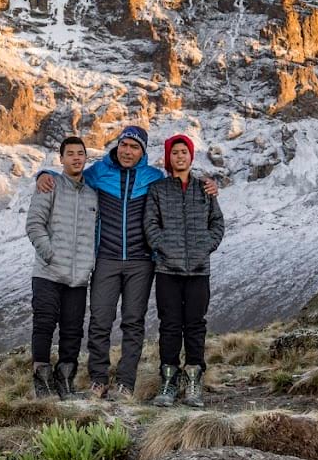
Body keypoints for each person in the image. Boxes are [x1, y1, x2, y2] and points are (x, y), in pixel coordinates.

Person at [37, 125, 218, 400]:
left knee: (133, 323)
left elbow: (181, 186)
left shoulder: (153, 178)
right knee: (100, 321)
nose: (128, 151)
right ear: (117, 145)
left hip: (141, 262)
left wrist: (209, 183)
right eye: (124, 145)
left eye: (135, 147)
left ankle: (125, 383)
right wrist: (43, 174)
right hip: (106, 259)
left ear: (142, 152)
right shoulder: (99, 172)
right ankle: (98, 380)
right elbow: (71, 176)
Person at [144, 134, 225, 408]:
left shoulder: (205, 188)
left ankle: (193, 381)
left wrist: (205, 247)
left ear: (191, 156)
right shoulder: (158, 190)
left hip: (198, 271)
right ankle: (168, 380)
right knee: (169, 325)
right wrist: (164, 248)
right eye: (175, 152)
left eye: (184, 152)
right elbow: (150, 224)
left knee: (195, 324)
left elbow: (217, 223)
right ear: (169, 158)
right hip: (167, 270)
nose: (180, 156)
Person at [25, 136, 99, 399]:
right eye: (71, 154)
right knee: (44, 323)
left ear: (86, 157)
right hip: (48, 272)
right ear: (62, 158)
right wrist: (50, 254)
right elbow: (34, 224)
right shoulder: (50, 185)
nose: (76, 158)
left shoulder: (92, 194)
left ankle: (66, 379)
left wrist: (89, 263)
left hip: (78, 277)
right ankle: (42, 380)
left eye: (80, 153)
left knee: (73, 329)